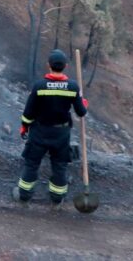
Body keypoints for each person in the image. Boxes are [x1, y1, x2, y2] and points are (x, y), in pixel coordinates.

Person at [14, 49, 88, 206]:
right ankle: (57, 198)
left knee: (32, 163)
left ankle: (24, 196)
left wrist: (24, 127)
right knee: (59, 166)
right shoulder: (73, 87)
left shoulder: (39, 86)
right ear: (65, 66)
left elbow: (28, 112)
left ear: (49, 65)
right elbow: (81, 112)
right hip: (61, 134)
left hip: (39, 132)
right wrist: (82, 102)